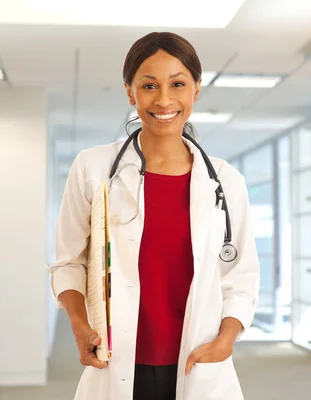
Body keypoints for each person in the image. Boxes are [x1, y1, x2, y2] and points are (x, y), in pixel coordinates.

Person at [48, 32, 260, 400]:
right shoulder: (93, 168)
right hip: (115, 362)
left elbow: (241, 275)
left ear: (196, 89)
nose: (164, 99)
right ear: (131, 92)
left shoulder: (225, 181)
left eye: (178, 84)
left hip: (198, 360)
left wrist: (226, 340)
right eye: (149, 85)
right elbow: (68, 262)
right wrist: (79, 325)